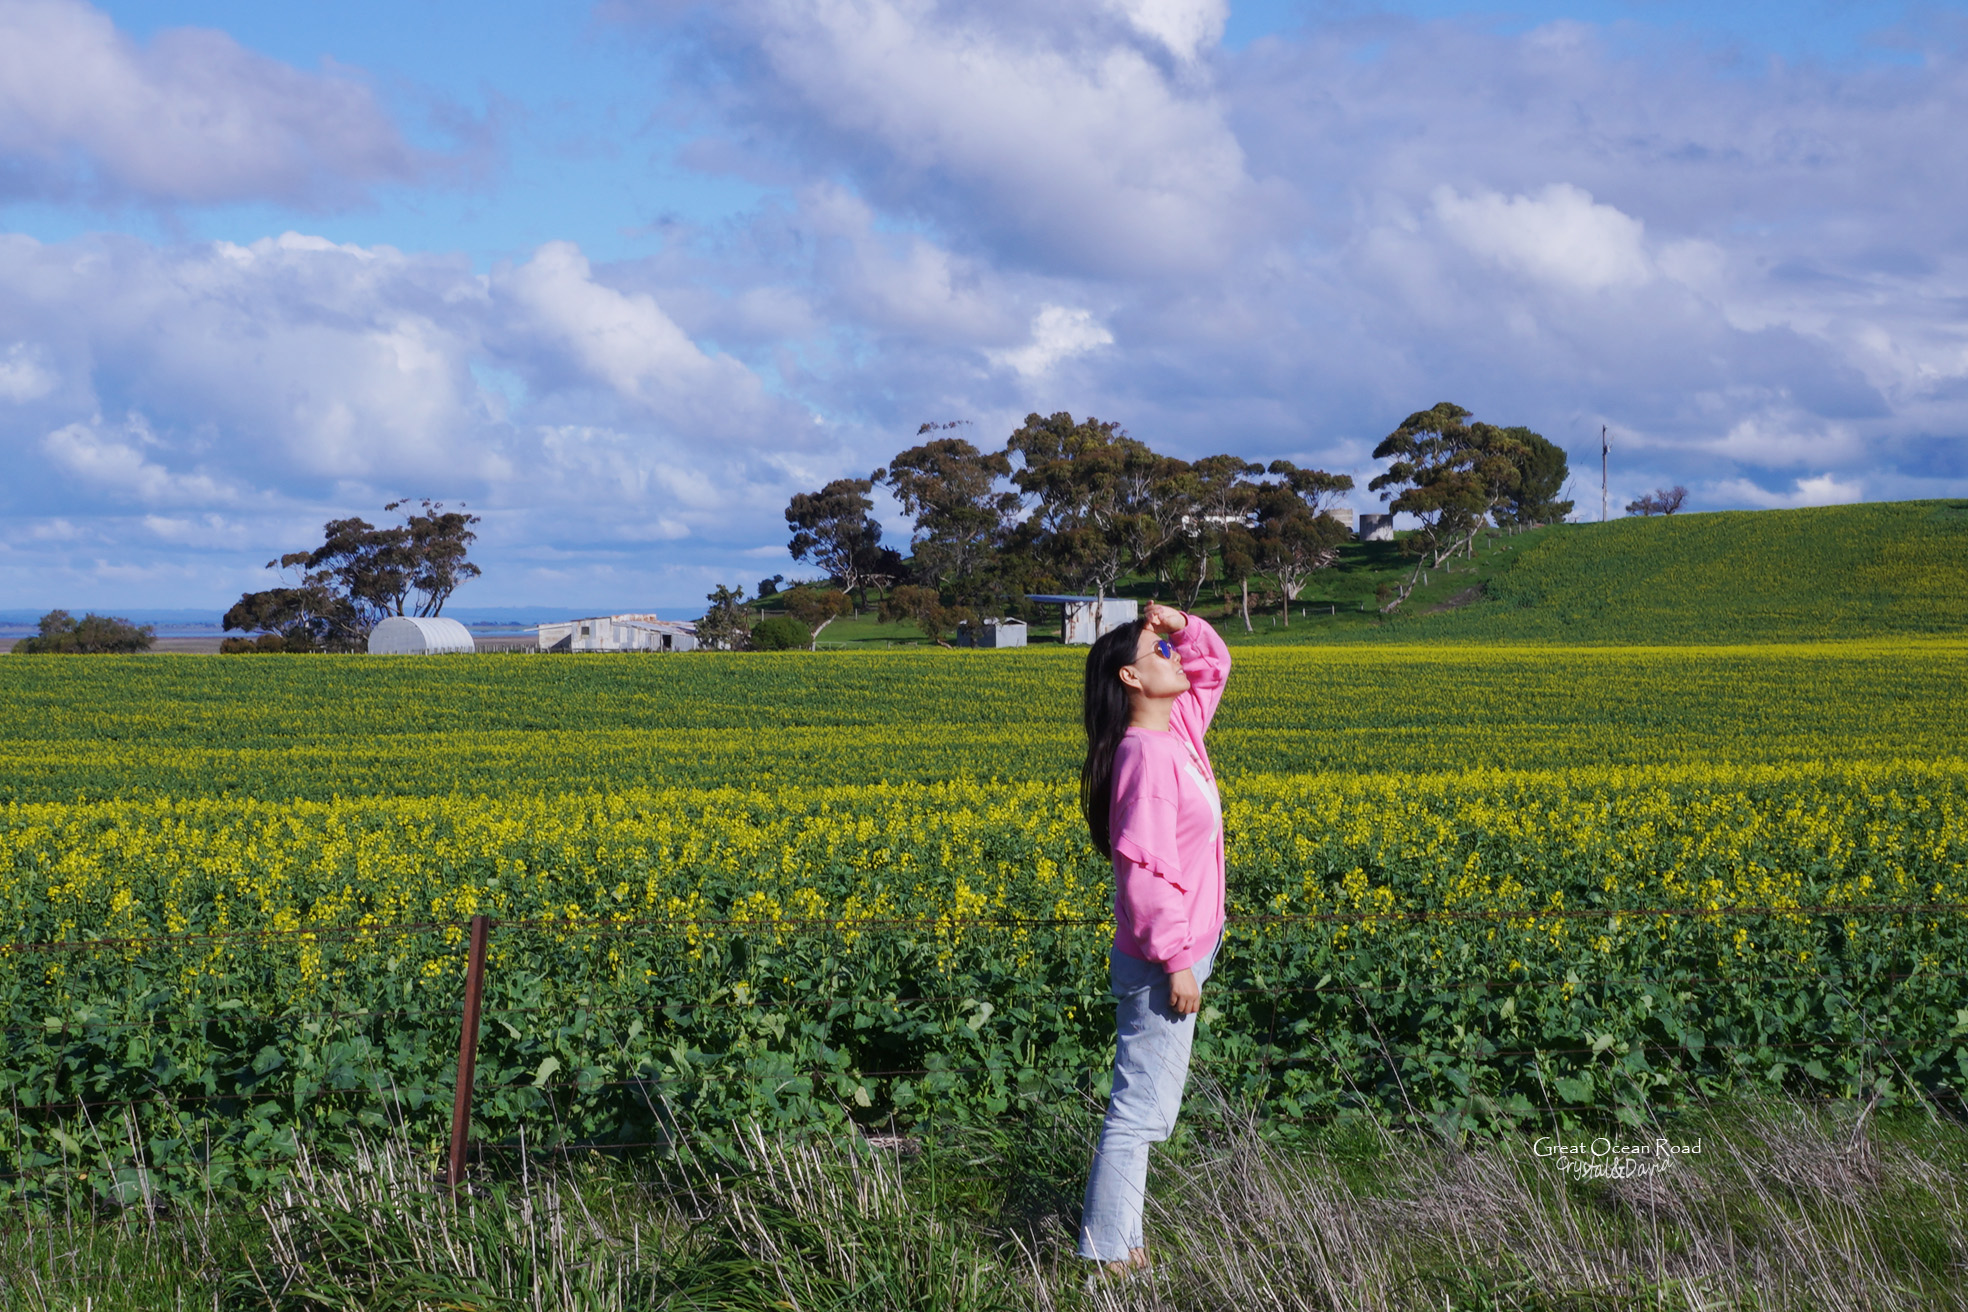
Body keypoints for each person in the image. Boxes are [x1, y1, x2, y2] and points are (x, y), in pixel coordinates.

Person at [1076, 600, 1231, 1275]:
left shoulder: (1179, 733)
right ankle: (1109, 1256)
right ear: (1131, 680)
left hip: (1182, 949)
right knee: (1140, 1111)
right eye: (1157, 654)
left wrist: (1177, 625)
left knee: (1147, 1109)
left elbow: (1214, 666)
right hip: (1162, 960)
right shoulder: (1146, 759)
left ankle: (1127, 1245)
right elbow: (1143, 880)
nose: (1172, 659)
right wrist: (1177, 962)